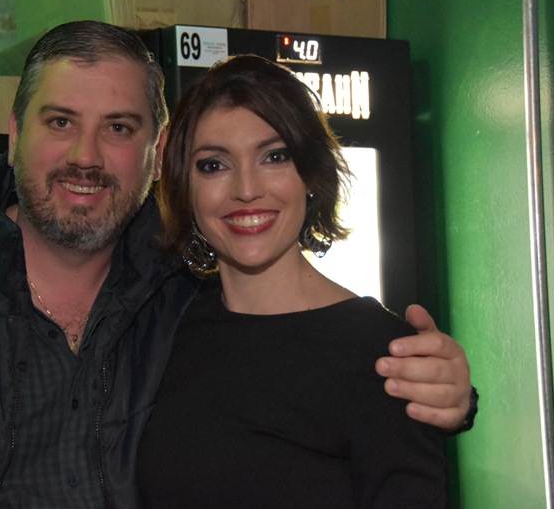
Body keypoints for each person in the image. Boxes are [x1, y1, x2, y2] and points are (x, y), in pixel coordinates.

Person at [0, 21, 473, 508]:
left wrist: (449, 395)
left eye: (118, 127)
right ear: (13, 135)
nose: (86, 156)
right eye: (59, 122)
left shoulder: (178, 292)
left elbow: (307, 368)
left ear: (154, 152)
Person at [136, 54, 447, 507]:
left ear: (311, 175)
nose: (246, 190)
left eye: (274, 157)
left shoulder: (384, 354)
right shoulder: (170, 326)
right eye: (214, 165)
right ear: (186, 187)